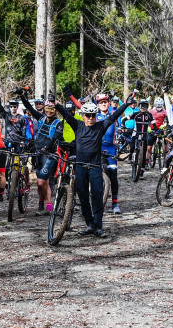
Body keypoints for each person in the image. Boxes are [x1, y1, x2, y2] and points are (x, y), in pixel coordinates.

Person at [56, 88, 129, 238]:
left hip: (95, 166)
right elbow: (65, 114)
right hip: (81, 167)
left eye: (93, 115)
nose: (90, 118)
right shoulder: (78, 125)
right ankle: (89, 224)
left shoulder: (100, 126)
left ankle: (98, 226)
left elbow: (114, 116)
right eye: (88, 115)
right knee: (82, 197)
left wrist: (126, 104)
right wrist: (56, 104)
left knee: (97, 196)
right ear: (83, 116)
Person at [20, 91, 63, 215]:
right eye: (47, 108)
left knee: (41, 181)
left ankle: (47, 207)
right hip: (38, 154)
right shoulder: (41, 118)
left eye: (52, 109)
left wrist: (46, 148)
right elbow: (29, 107)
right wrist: (22, 96)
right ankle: (47, 207)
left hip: (50, 155)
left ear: (55, 110)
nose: (49, 111)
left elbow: (55, 137)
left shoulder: (58, 123)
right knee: (41, 184)